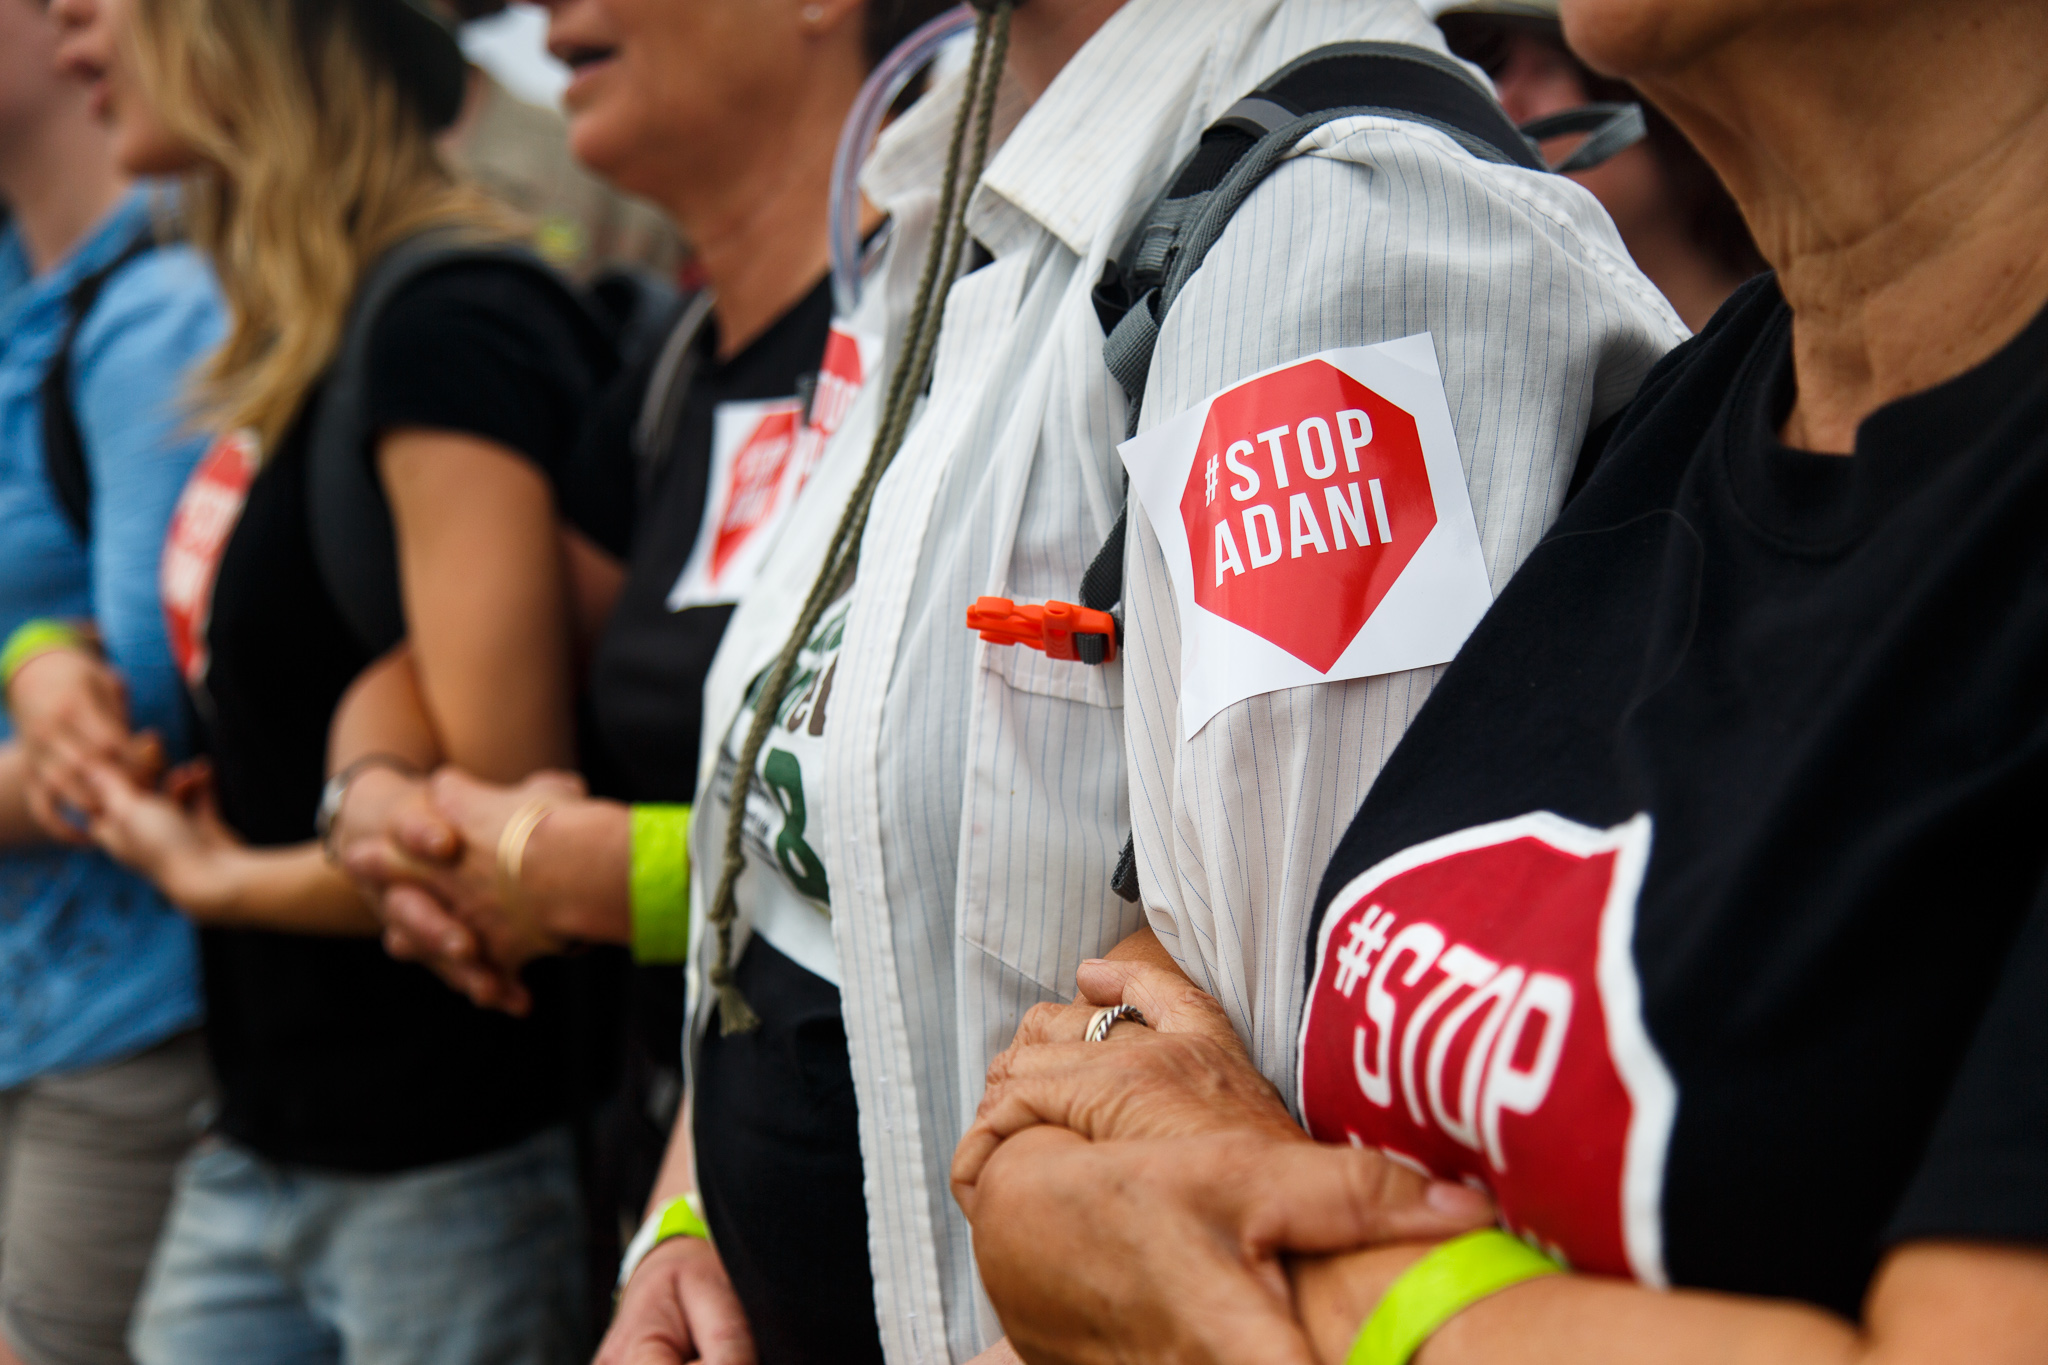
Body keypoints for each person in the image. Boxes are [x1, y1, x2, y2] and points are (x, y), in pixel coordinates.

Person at [954, 0, 2048, 1361]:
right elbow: (1194, 963)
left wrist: (1332, 1281)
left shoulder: (1378, 240)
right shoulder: (1693, 413)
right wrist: (1080, 1154)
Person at [330, 0, 951, 1358]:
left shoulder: (968, 331)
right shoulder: (674, 370)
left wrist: (602, 872)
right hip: (676, 1204)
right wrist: (368, 799)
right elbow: (413, 666)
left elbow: (996, 830)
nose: (554, 10)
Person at [40, 0, 618, 1357]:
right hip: (267, 1136)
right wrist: (46, 665)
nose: (74, 38)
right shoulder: (314, 323)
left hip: (443, 1164)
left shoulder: (444, 325)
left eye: (103, 4)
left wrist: (214, 875)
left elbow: (485, 838)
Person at [0, 2, 223, 1360]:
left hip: (120, 1011)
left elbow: (151, 719)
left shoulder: (163, 307)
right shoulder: (25, 287)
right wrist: (34, 661)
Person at [1433, 0, 1763, 332]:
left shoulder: (1798, 324)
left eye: (1548, 69)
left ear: (1667, 102)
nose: (1505, 104)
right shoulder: (1527, 357)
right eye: (1498, 74)